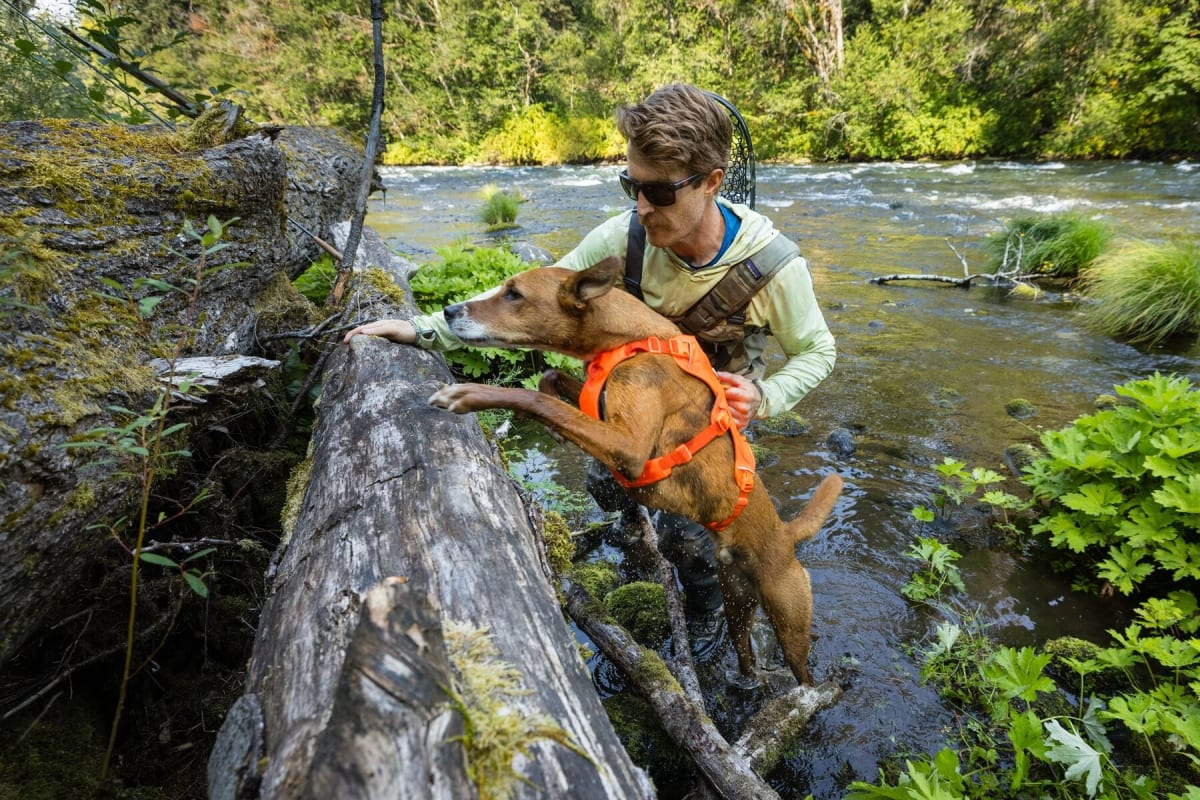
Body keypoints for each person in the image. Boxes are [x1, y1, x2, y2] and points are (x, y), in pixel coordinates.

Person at [343, 83, 836, 657]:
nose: (642, 207)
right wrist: (423, 328)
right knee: (609, 481)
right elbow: (529, 301)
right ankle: (636, 542)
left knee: (696, 541)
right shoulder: (621, 238)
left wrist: (766, 394)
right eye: (632, 186)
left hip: (707, 424)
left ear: (711, 181)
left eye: (657, 191)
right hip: (633, 399)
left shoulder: (773, 266)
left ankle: (702, 615)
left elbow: (819, 352)